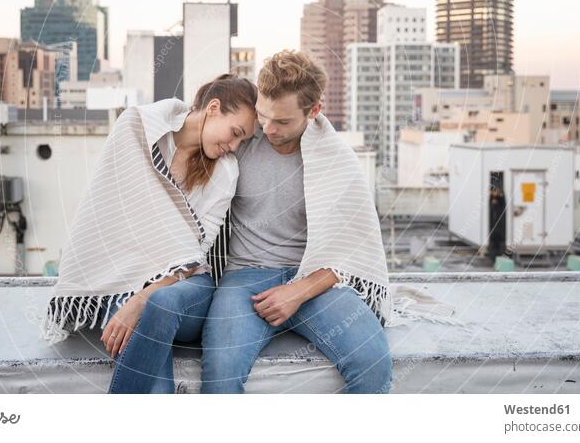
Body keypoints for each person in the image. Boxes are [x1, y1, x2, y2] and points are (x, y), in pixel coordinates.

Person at [40, 73, 257, 394]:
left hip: (188, 287)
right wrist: (135, 297)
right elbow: (105, 216)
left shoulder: (226, 172)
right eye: (235, 133)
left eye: (242, 142)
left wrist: (141, 298)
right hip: (121, 279)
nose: (233, 146)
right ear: (213, 108)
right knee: (149, 317)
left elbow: (196, 252)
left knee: (161, 302)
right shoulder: (137, 131)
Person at [200, 50, 397, 394]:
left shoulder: (337, 159)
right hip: (245, 278)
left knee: (373, 363)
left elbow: (351, 251)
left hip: (314, 280)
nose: (268, 129)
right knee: (220, 375)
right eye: (264, 115)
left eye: (284, 122)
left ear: (314, 110)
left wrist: (297, 292)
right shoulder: (242, 138)